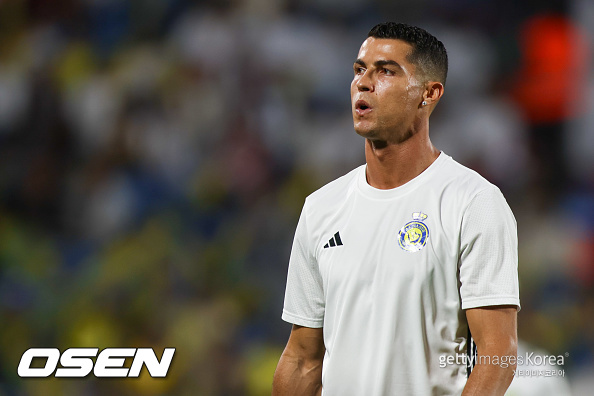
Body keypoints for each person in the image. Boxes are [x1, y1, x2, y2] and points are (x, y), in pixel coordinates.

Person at [272, 22, 520, 396]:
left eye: (385, 71)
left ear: (429, 93)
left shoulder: (473, 202)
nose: (363, 82)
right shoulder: (321, 208)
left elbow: (498, 355)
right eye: (359, 70)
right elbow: (303, 359)